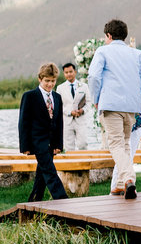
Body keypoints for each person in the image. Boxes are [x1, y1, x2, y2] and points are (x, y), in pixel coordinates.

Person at [88, 19, 141, 199]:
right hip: (132, 106)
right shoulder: (136, 54)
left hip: (110, 104)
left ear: (108, 35)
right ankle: (118, 185)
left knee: (116, 144)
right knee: (124, 144)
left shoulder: (103, 51)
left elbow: (93, 76)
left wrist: (96, 99)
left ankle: (129, 178)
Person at [18, 62, 68, 201]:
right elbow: (23, 123)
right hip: (37, 142)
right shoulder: (30, 96)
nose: (50, 84)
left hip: (51, 143)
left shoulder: (57, 97)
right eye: (47, 81)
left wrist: (58, 144)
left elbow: (59, 123)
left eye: (53, 81)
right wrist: (25, 146)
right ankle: (62, 199)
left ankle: (34, 199)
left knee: (42, 173)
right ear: (40, 79)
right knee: (50, 171)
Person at [57, 62, 90, 151]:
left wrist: (82, 110)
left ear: (75, 72)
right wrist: (69, 112)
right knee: (68, 146)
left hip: (81, 120)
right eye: (66, 72)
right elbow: (59, 106)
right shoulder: (60, 88)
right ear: (64, 74)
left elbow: (89, 103)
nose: (69, 74)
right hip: (67, 121)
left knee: (83, 144)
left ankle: (84, 163)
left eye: (70, 72)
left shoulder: (84, 86)